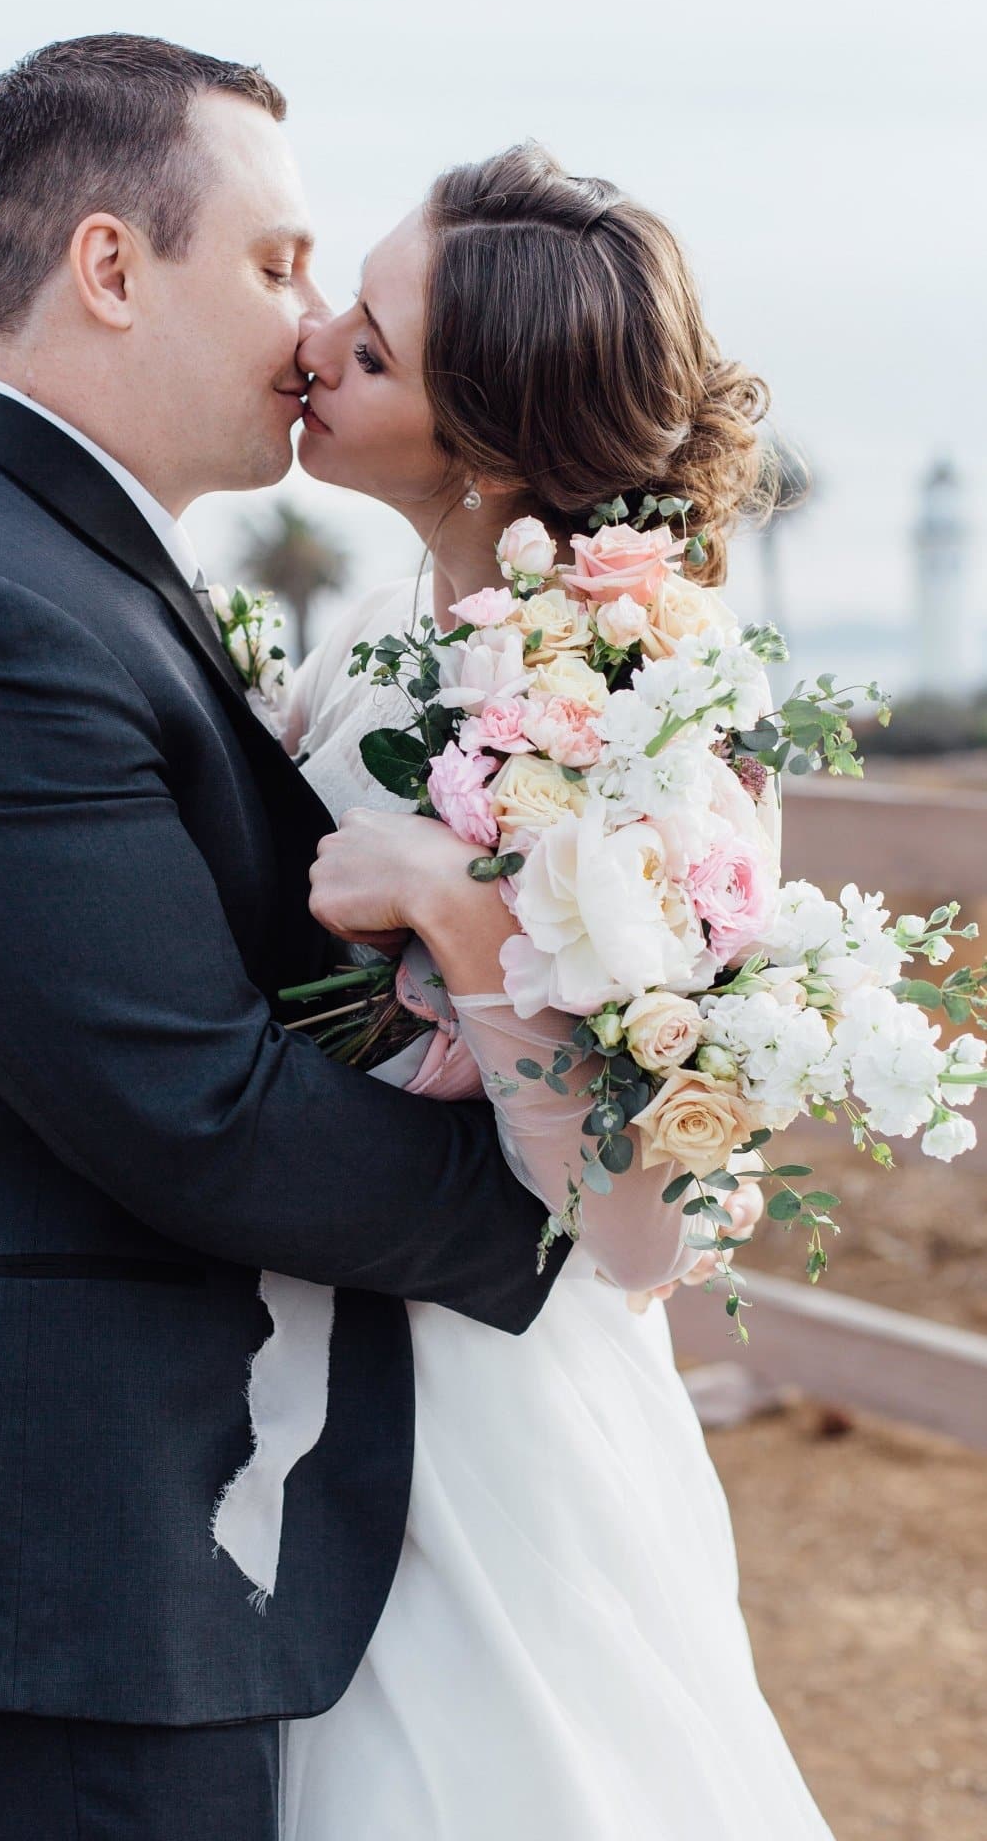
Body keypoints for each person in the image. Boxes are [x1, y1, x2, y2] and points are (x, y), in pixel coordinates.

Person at [0, 37, 575, 1841]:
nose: (305, 325)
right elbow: (190, 1107)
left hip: (126, 1548)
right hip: (54, 1571)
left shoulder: (57, 571)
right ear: (111, 268)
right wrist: (567, 1197)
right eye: (274, 264)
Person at [277, 142, 835, 1837]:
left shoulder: (642, 704)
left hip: (488, 1404)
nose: (309, 343)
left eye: (369, 349)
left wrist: (461, 909)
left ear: (493, 446)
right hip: (300, 1339)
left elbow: (642, 1233)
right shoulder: (376, 620)